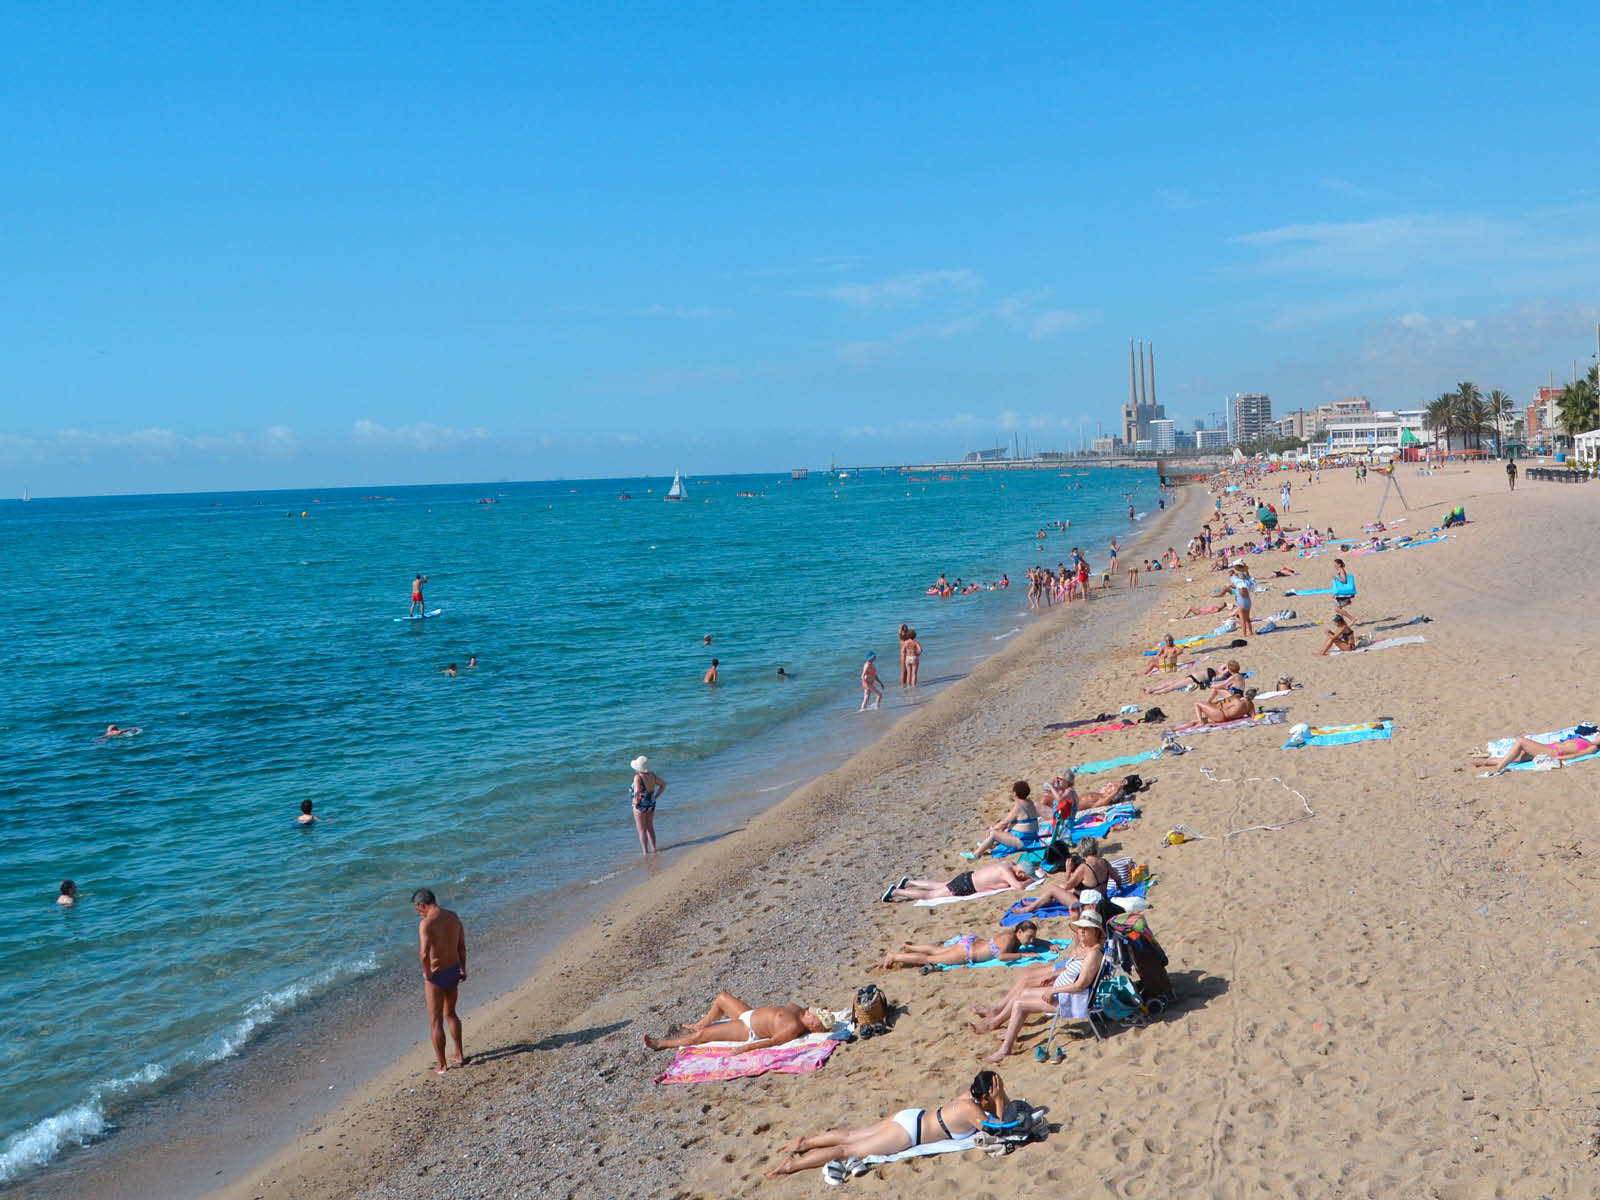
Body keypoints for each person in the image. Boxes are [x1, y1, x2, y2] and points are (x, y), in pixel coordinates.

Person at [764, 1071, 1011, 1179]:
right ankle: (791, 1166)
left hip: (909, 1117)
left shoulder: (967, 1099)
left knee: (850, 1136)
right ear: (988, 1096)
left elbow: (1001, 1114)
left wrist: (999, 1098)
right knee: (846, 1151)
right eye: (996, 1093)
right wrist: (999, 1101)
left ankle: (805, 1142)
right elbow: (999, 1130)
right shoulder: (971, 1109)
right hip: (908, 1133)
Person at [972, 912, 1106, 1062]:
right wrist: (1054, 975)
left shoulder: (1093, 954)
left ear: (1096, 931)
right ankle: (1009, 1030)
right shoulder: (1083, 947)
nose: (1081, 931)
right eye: (1080, 927)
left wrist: (1053, 990)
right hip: (1061, 992)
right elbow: (1069, 969)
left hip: (1071, 1000)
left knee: (1020, 1004)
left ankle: (1005, 1050)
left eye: (1086, 928)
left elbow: (1081, 985)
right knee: (1021, 993)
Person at [643, 992, 834, 1053]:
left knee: (704, 1036)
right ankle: (700, 1023)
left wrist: (744, 1049)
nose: (811, 1014)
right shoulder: (798, 1010)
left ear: (812, 1025)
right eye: (814, 1013)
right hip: (748, 1014)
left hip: (748, 1029)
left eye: (815, 1018)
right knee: (721, 998)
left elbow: (773, 1042)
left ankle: (661, 1044)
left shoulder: (793, 1027)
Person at [411, 887, 467, 1075]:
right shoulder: (453, 917)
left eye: (418, 910)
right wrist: (463, 968)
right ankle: (459, 1054)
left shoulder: (425, 924)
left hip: (436, 976)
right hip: (453, 971)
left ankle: (442, 1065)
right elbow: (461, 947)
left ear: (422, 905)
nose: (418, 913)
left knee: (435, 1023)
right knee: (451, 1014)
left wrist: (427, 974)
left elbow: (424, 954)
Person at [882, 921, 1049, 971]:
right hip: (968, 952)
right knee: (930, 959)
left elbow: (1035, 941)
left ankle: (910, 947)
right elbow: (1002, 957)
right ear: (1019, 932)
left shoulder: (1015, 937)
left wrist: (1048, 944)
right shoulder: (1009, 939)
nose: (1031, 940)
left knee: (938, 950)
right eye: (1029, 936)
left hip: (970, 943)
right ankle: (894, 956)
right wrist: (1024, 955)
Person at [883, 860, 1034, 902]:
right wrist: (1029, 881)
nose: (1023, 878)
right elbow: (1019, 887)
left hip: (967, 877)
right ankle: (897, 891)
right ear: (1020, 872)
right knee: (930, 896)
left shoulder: (1008, 864)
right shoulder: (1006, 871)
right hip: (966, 885)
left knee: (942, 885)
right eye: (1024, 876)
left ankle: (909, 882)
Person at [1474, 725, 1599, 775]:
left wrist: (1557, 758)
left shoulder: (1592, 748)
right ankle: (1485, 763)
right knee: (1517, 758)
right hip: (1550, 748)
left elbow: (1575, 756)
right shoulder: (1588, 739)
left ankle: (1499, 767)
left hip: (1554, 752)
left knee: (1521, 741)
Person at [967, 781, 1041, 857]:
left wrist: (991, 829)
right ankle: (988, 844)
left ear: (1015, 793)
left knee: (994, 833)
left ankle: (975, 854)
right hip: (1032, 837)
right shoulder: (1030, 802)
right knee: (1006, 827)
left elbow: (1004, 822)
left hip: (1024, 841)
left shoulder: (1018, 807)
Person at [629, 754, 664, 855]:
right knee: (650, 827)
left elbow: (637, 790)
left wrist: (636, 800)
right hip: (651, 803)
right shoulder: (652, 775)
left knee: (641, 829)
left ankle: (645, 852)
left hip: (641, 804)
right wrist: (656, 796)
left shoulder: (637, 777)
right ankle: (654, 849)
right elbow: (663, 784)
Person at [1193, 686, 1257, 725]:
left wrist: (1212, 706)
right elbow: (1253, 716)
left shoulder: (1237, 700)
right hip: (1225, 719)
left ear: (1246, 693)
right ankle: (1184, 728)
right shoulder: (1251, 705)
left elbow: (1224, 708)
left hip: (1221, 715)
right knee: (1197, 721)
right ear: (1253, 697)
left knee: (1197, 703)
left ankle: (1200, 722)